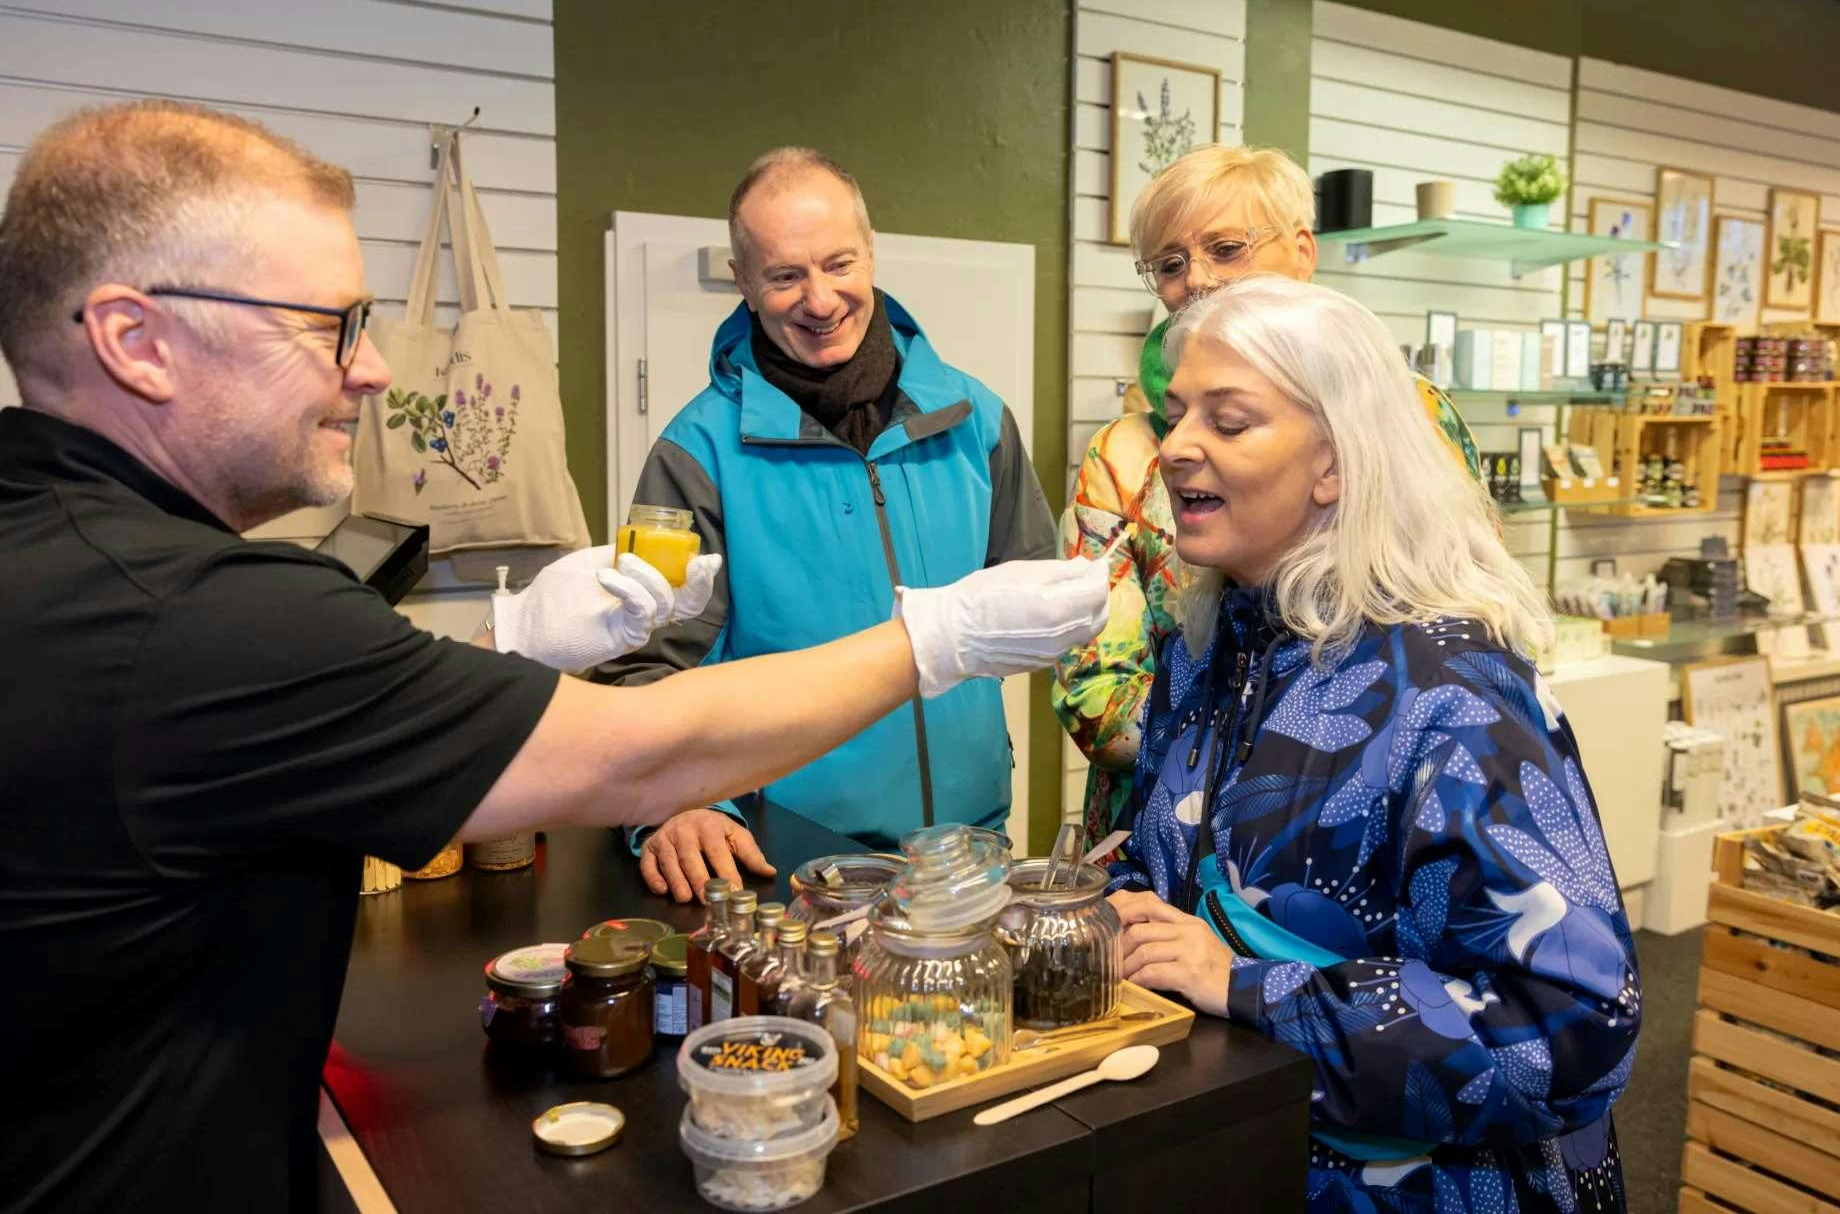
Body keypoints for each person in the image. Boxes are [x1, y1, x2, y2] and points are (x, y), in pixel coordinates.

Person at [0, 100, 1108, 1212]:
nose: (376, 369)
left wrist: (508, 641)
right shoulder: (197, 615)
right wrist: (932, 636)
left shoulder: (62, 557)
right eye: (330, 325)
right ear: (136, 340)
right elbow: (627, 750)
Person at [1104, 276, 1638, 1212]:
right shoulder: (1201, 651)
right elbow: (1179, 885)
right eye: (1176, 412)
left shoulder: (1451, 690)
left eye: (1228, 422)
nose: (1177, 445)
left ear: (1334, 464)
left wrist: (1246, 987)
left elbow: (1571, 1031)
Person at [594, 147, 1056, 899]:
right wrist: (681, 804)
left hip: (971, 855)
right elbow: (643, 665)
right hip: (795, 861)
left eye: (839, 264)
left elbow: (1029, 610)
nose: (820, 298)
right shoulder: (696, 452)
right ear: (744, 282)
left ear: (869, 253)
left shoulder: (977, 420)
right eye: (784, 275)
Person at [1055, 144, 1485, 853]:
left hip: (1357, 841)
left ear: (1303, 250)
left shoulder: (1406, 416)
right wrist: (1244, 752)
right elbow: (1094, 693)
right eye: (1168, 264)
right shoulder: (1128, 453)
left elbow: (1464, 622)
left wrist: (1318, 760)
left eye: (1225, 249)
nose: (1196, 281)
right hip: (1158, 845)